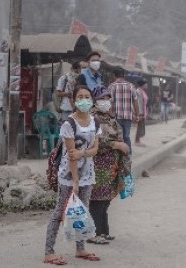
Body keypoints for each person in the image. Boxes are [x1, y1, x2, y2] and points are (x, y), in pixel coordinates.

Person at [44, 85, 101, 265]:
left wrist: (83, 153)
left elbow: (95, 149)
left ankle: (80, 249)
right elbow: (70, 155)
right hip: (69, 175)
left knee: (81, 211)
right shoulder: (69, 123)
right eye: (80, 96)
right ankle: (48, 252)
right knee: (60, 212)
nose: (84, 99)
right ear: (74, 101)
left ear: (91, 100)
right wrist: (75, 181)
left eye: (87, 96)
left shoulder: (95, 122)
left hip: (88, 174)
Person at [87, 87, 131, 245]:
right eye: (102, 98)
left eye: (108, 98)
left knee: (105, 200)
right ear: (95, 100)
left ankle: (104, 232)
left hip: (110, 165)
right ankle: (94, 233)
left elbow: (120, 134)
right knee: (97, 200)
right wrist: (116, 144)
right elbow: (94, 142)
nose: (106, 101)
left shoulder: (109, 118)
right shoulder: (91, 118)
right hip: (98, 165)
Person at [108, 66, 139, 153]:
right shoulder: (131, 86)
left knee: (117, 137)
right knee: (126, 136)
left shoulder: (112, 86)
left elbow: (110, 103)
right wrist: (137, 115)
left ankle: (119, 157)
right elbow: (135, 102)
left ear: (114, 75)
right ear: (124, 75)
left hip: (116, 116)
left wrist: (110, 115)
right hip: (128, 116)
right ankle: (128, 156)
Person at [135, 78, 148, 147]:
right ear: (143, 84)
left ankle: (138, 140)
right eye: (146, 83)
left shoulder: (142, 91)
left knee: (141, 127)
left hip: (143, 112)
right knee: (140, 127)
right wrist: (139, 114)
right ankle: (137, 141)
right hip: (140, 112)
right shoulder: (138, 91)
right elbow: (138, 103)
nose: (147, 85)